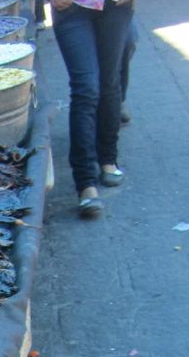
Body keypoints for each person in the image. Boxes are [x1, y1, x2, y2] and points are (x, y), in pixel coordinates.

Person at [50, 0, 134, 220]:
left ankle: (108, 159)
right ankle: (86, 182)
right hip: (71, 8)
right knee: (86, 87)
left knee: (109, 83)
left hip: (115, 7)